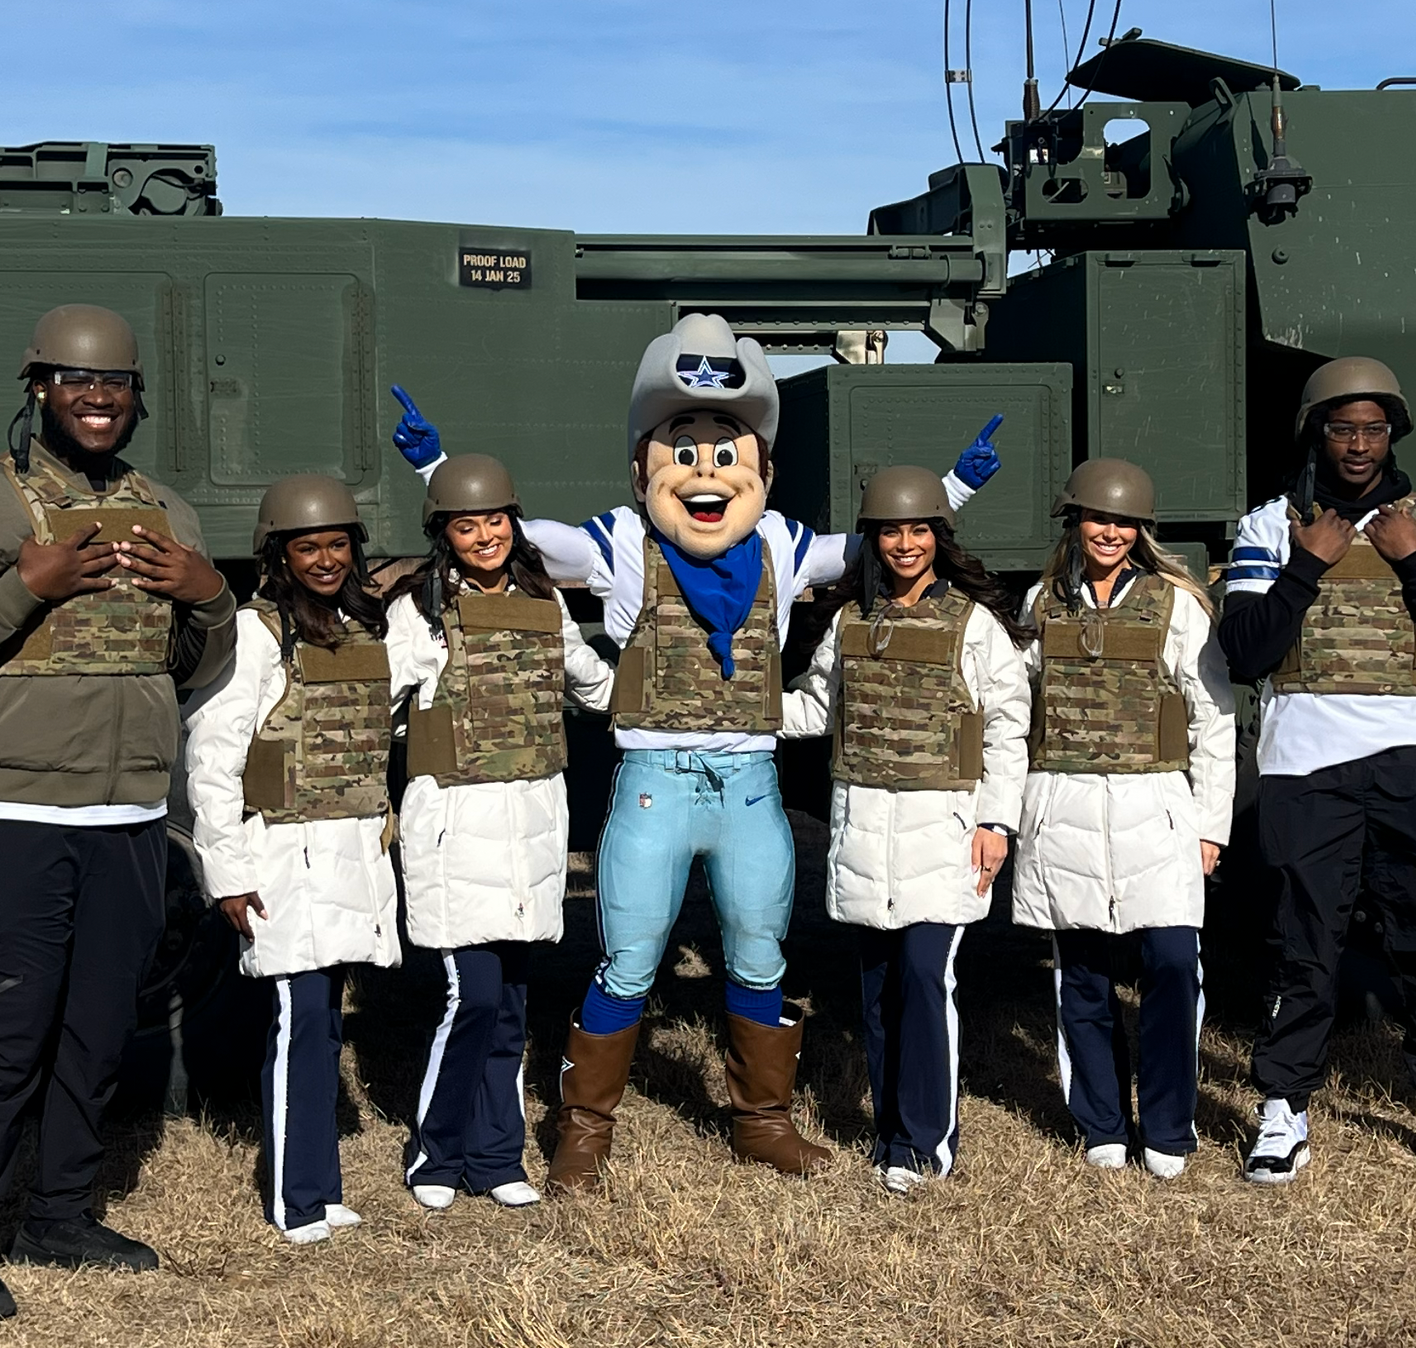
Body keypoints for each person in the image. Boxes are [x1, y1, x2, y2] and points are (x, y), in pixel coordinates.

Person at [388, 318, 1000, 1190]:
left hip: (748, 784)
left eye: (725, 452)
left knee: (759, 951)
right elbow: (512, 535)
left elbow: (890, 541)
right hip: (655, 784)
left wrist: (953, 489)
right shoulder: (620, 541)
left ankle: (762, 1118)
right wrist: (437, 469)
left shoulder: (783, 544)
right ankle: (585, 1127)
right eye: (683, 453)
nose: (705, 473)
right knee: (628, 958)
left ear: (764, 469)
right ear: (643, 468)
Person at [0, 304, 238, 1325]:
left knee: (97, 1031)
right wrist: (25, 586)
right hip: (10, 807)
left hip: (128, 811)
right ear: (38, 388)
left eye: (115, 384)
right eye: (76, 380)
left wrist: (211, 596)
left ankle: (58, 1214)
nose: (98, 398)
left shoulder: (166, 510)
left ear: (137, 397)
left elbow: (195, 666)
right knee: (5, 1032)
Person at [1217, 356, 1416, 1188]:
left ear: (1392, 435)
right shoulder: (1271, 526)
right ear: (1316, 433)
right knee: (1302, 944)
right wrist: (1306, 564)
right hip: (1305, 765)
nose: (1358, 444)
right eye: (1342, 427)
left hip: (1409, 759)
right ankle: (1284, 1109)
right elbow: (1244, 651)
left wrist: (1414, 561)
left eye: (1373, 428)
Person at [780, 468, 1030, 1191]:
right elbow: (816, 707)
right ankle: (890, 1134)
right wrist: (738, 708)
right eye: (891, 531)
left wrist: (996, 821)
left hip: (942, 831)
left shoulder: (973, 625)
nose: (906, 543)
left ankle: (926, 1143)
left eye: (919, 529)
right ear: (873, 539)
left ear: (938, 537)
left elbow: (1008, 725)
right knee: (878, 988)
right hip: (865, 833)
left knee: (924, 977)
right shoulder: (850, 622)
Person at [382, 452, 614, 1208]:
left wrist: (675, 687)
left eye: (495, 521)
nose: (485, 536)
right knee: (472, 998)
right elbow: (378, 700)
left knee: (511, 1002)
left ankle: (496, 1157)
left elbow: (593, 682)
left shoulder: (544, 603)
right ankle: (436, 1155)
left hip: (529, 830)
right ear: (442, 534)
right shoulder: (419, 612)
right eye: (466, 525)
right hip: (457, 826)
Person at [183, 474, 400, 1242]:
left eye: (338, 544)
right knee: (298, 1024)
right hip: (282, 858)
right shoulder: (256, 633)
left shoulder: (357, 626)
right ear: (278, 554)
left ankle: (320, 1186)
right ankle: (293, 1199)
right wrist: (228, 873)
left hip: (347, 854)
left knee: (325, 1025)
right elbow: (213, 758)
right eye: (308, 547)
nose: (326, 559)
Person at [1011, 459, 1237, 1179]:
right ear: (1074, 523)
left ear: (1141, 530)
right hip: (1065, 811)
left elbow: (1213, 717)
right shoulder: (1041, 604)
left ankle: (1168, 1126)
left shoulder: (1177, 606)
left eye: (1123, 522)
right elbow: (1015, 712)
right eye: (1096, 518)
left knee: (1172, 963)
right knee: (1081, 975)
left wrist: (1211, 825)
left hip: (1156, 810)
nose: (1109, 532)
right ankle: (1102, 1123)